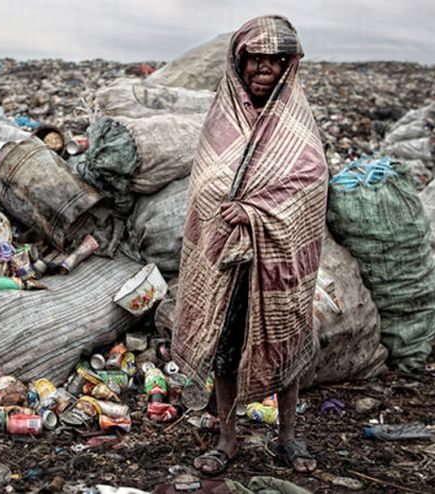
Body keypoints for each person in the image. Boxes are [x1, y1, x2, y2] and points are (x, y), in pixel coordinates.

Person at [173, 15, 327, 475]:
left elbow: (311, 182)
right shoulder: (223, 120)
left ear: (288, 66)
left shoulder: (297, 123)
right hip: (227, 259)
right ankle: (226, 438)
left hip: (279, 260)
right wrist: (228, 208)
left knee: (285, 340)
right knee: (225, 343)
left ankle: (287, 438)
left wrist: (256, 212)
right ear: (239, 64)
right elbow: (206, 185)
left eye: (273, 61)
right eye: (254, 60)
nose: (263, 69)